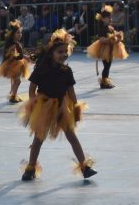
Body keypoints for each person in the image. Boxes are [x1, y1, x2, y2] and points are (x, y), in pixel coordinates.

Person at [18, 29, 96, 181]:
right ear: (51, 53)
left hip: (62, 107)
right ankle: (31, 168)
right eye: (60, 52)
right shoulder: (41, 69)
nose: (64, 55)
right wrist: (33, 102)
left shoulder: (67, 71)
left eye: (65, 52)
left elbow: (71, 91)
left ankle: (84, 166)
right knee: (38, 139)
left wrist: (74, 107)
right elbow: (32, 88)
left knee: (72, 136)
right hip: (44, 105)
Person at [85, 3, 129, 89]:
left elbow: (114, 37)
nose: (111, 19)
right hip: (104, 49)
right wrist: (109, 39)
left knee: (108, 65)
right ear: (103, 19)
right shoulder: (102, 28)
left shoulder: (109, 27)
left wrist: (118, 37)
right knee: (107, 66)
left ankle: (105, 81)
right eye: (109, 18)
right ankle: (104, 82)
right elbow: (101, 39)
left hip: (110, 49)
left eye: (111, 17)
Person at [0, 20, 29, 103]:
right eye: (18, 33)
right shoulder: (13, 45)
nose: (20, 34)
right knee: (17, 81)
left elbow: (19, 54)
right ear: (13, 34)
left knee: (14, 80)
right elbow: (15, 55)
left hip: (15, 63)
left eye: (20, 33)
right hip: (13, 64)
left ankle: (12, 93)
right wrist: (24, 57)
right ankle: (13, 96)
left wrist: (26, 57)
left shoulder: (16, 43)